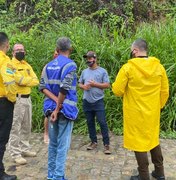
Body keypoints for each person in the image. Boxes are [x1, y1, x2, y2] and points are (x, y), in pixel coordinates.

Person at [112, 39, 169, 180]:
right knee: (153, 139)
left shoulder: (128, 68)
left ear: (135, 51)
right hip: (153, 113)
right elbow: (165, 91)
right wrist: (158, 107)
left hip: (134, 113)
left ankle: (144, 176)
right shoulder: (159, 67)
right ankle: (160, 173)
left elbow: (117, 90)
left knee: (139, 143)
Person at [39, 37, 78, 180]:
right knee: (63, 145)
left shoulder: (48, 66)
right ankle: (58, 176)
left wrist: (55, 104)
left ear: (57, 49)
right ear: (70, 49)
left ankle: (51, 175)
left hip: (50, 109)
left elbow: (42, 87)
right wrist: (58, 107)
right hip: (64, 111)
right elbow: (65, 88)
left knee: (53, 144)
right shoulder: (70, 65)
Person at [9, 43, 39, 165]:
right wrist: (27, 81)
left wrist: (25, 81)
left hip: (27, 99)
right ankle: (15, 153)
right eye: (17, 50)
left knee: (27, 125)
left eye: (22, 49)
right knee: (15, 126)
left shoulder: (27, 65)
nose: (20, 51)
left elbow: (36, 80)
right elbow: (17, 80)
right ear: (13, 52)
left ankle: (24, 149)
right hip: (17, 100)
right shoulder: (10, 65)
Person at [78, 51, 111, 154]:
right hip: (86, 101)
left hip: (98, 101)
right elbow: (79, 83)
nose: (88, 60)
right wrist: (84, 86)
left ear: (95, 59)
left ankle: (106, 144)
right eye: (87, 59)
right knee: (90, 122)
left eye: (90, 58)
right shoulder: (84, 72)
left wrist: (95, 84)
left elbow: (107, 85)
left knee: (102, 122)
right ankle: (93, 142)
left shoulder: (102, 71)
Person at [0, 32, 17, 180]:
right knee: (1, 138)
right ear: (6, 45)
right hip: (3, 103)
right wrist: (12, 99)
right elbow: (9, 82)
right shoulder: (5, 61)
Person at [43, 50, 59, 144]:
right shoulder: (47, 66)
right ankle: (46, 133)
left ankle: (57, 135)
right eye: (55, 53)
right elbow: (43, 83)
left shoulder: (65, 66)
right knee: (48, 114)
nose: (56, 55)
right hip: (49, 94)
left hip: (61, 95)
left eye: (58, 53)